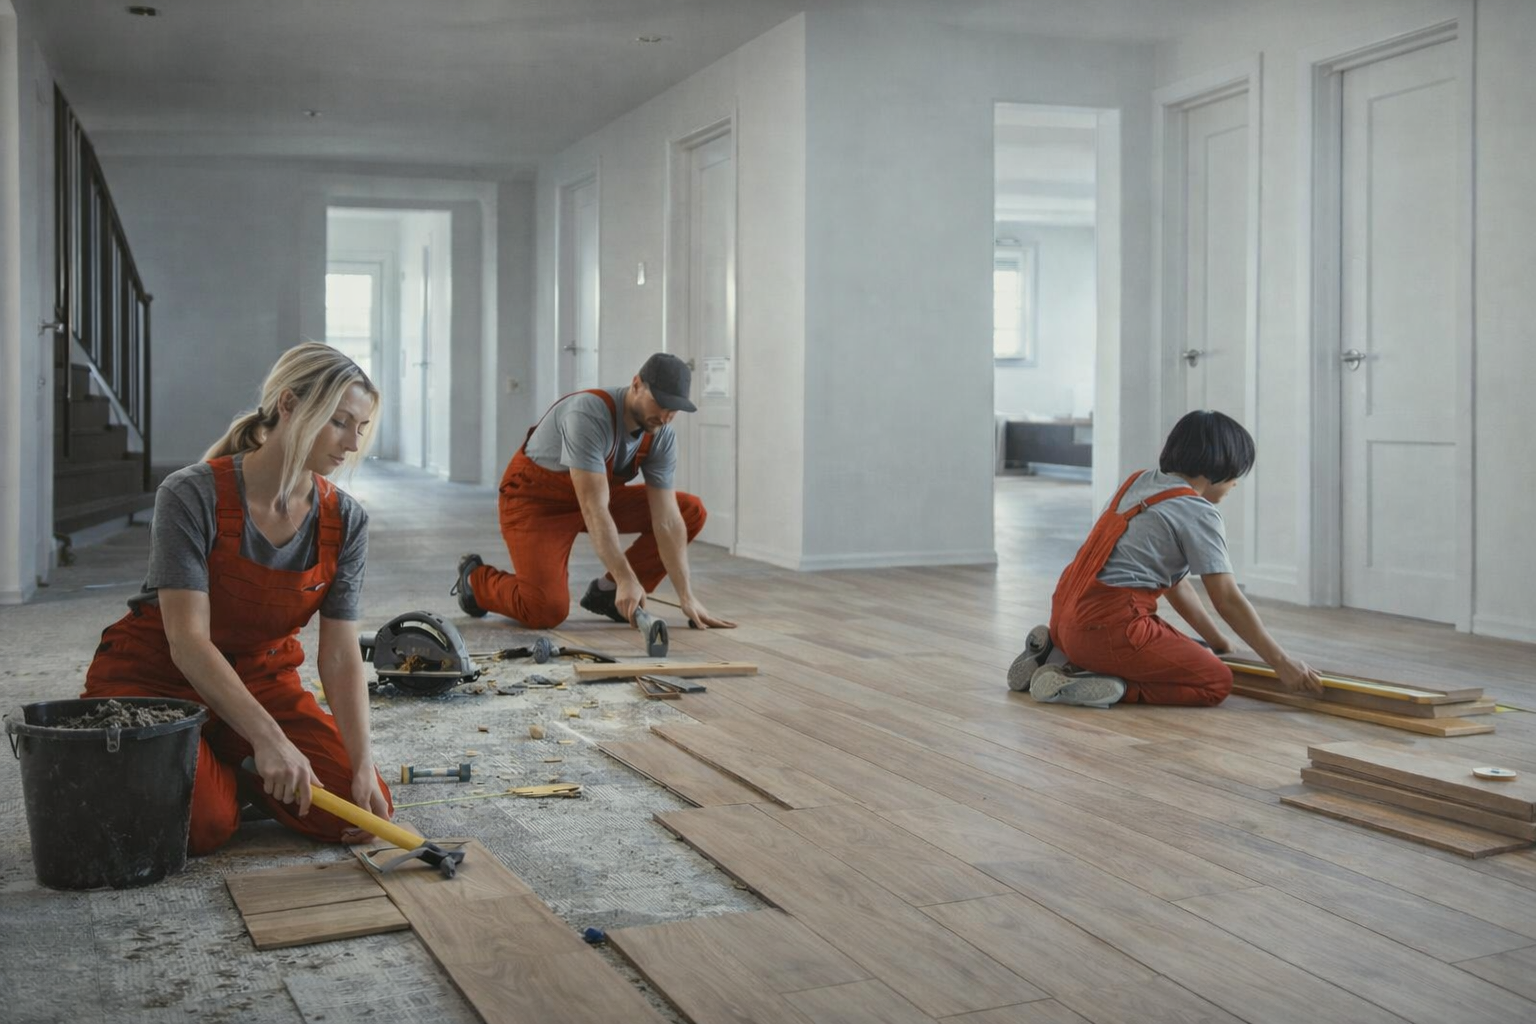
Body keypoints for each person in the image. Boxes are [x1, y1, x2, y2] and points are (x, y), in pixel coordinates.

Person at [83, 342, 393, 854]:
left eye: (360, 428)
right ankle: (224, 766)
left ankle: (229, 762)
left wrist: (362, 763)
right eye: (340, 422)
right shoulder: (191, 494)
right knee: (204, 825)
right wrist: (271, 741)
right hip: (158, 677)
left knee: (357, 812)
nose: (351, 443)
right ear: (290, 405)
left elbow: (339, 654)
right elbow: (188, 643)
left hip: (261, 678)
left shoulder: (347, 519)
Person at [1009, 409, 1322, 708]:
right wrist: (1280, 662)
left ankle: (1055, 657)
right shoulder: (1198, 512)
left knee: (1188, 651)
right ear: (1216, 466)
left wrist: (1219, 642)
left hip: (1065, 616)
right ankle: (1107, 686)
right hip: (1107, 628)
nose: (1235, 483)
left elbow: (1176, 586)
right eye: (1234, 474)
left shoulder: (1138, 482)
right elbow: (1226, 598)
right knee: (1215, 680)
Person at [453, 353, 735, 631]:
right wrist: (627, 577)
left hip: (592, 497)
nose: (665, 416)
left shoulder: (661, 434)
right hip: (537, 504)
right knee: (545, 609)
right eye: (659, 403)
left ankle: (608, 594)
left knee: (688, 511)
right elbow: (594, 509)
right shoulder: (588, 414)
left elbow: (668, 520)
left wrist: (687, 596)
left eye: (674, 408)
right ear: (636, 384)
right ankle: (475, 581)